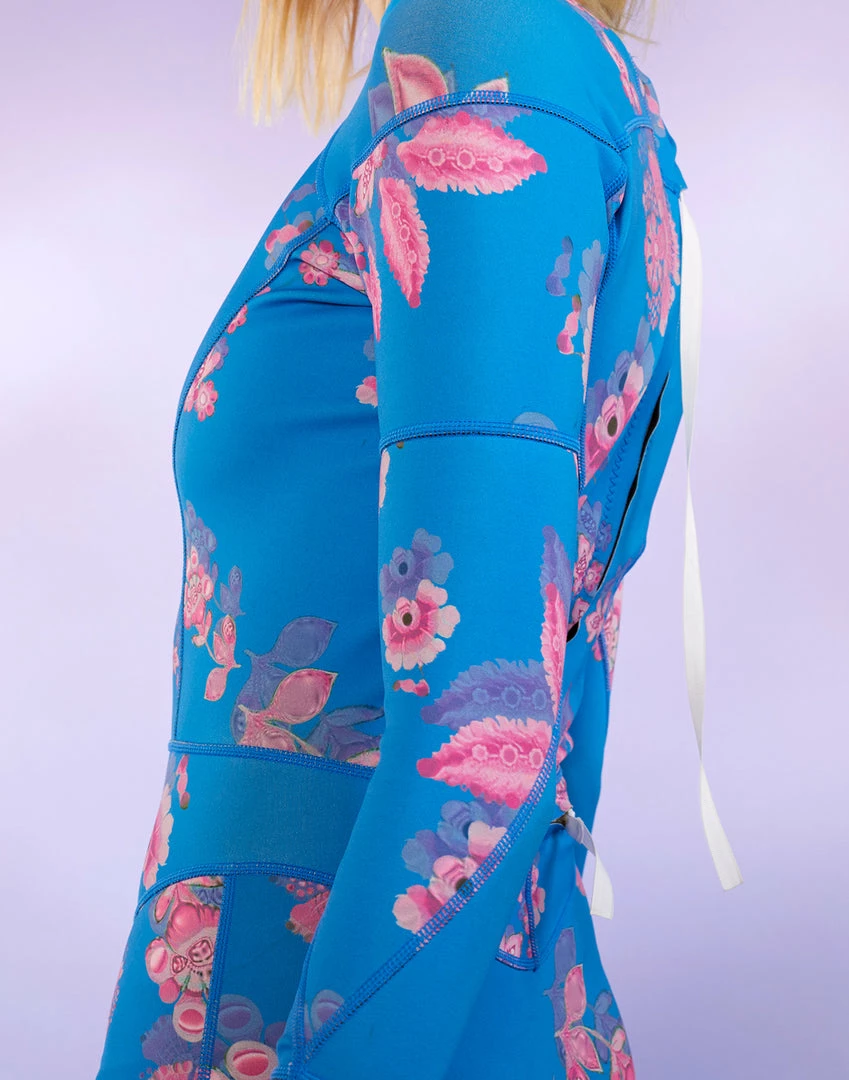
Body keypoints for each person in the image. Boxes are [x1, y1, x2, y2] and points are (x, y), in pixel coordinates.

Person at [94, 0, 743, 1077]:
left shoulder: (486, 45)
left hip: (327, 1001)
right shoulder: (540, 62)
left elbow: (482, 735)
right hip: (381, 984)